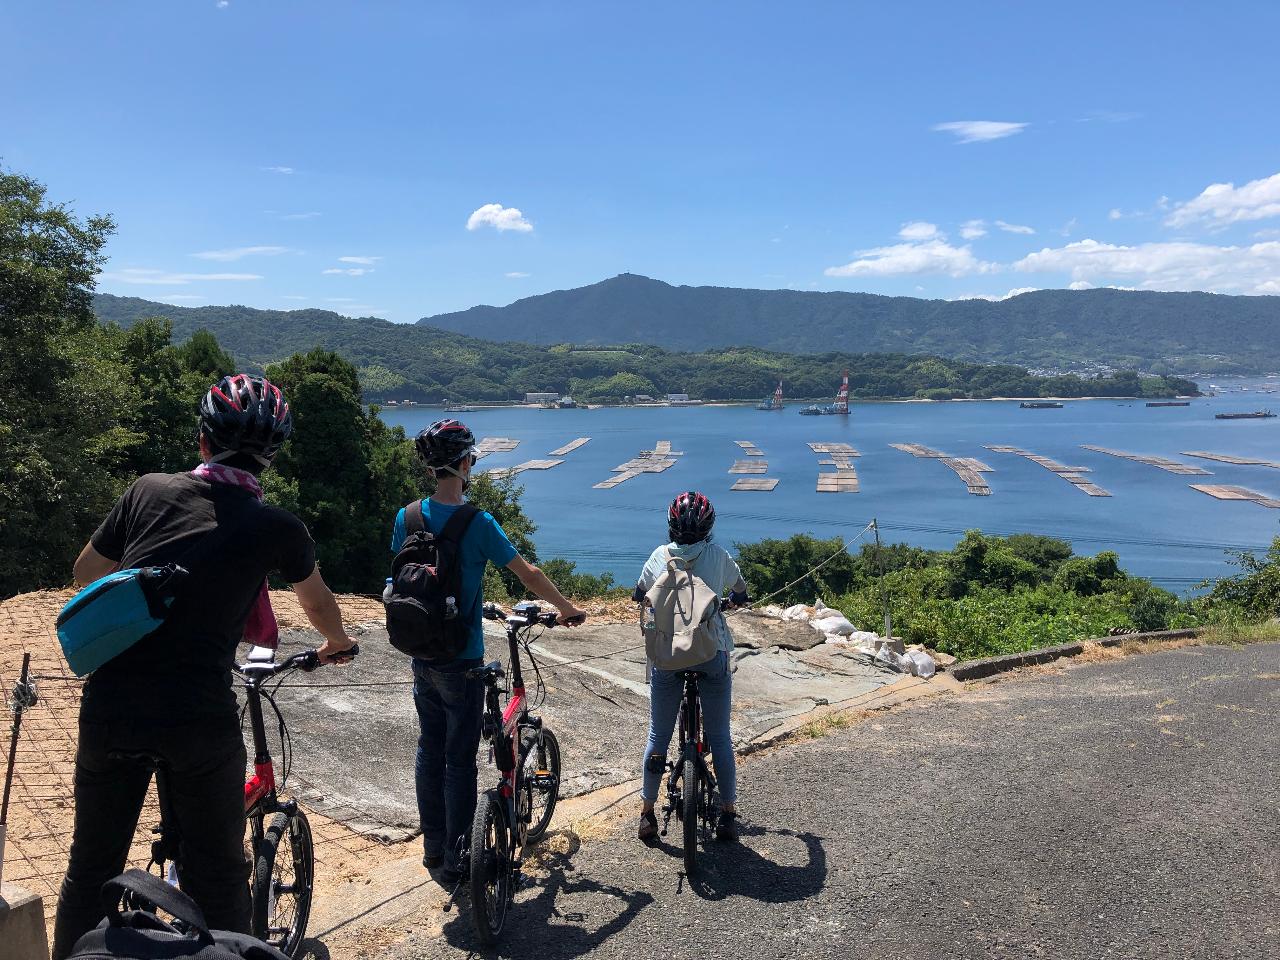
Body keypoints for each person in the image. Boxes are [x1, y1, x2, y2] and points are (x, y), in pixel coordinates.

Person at [52, 375, 358, 960]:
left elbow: (85, 570)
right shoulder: (278, 528)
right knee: (216, 878)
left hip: (112, 704)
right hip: (197, 719)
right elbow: (316, 604)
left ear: (201, 441)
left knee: (90, 867)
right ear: (270, 456)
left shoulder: (147, 490)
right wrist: (337, 642)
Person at [391, 419, 586, 883]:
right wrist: (567, 608)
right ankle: (461, 853)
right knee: (458, 759)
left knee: (428, 749)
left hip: (421, 654)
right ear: (463, 464)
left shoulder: (408, 516)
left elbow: (392, 582)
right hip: (462, 656)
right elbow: (529, 573)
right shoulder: (477, 522)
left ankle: (434, 849)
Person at [634, 491, 748, 844]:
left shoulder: (657, 557)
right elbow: (741, 592)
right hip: (711, 655)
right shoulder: (718, 556)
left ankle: (647, 814)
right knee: (720, 738)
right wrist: (727, 601)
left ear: (671, 526)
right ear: (708, 528)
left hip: (667, 659)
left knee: (658, 736)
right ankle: (728, 814)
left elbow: (640, 595)